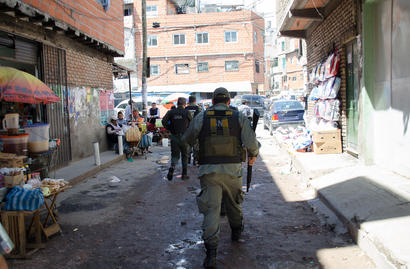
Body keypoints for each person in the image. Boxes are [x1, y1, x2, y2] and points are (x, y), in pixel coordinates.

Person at [182, 87, 259, 268]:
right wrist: (253, 154)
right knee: (234, 203)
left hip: (209, 171)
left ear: (213, 102)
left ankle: (211, 254)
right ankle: (236, 232)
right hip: (233, 170)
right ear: (229, 102)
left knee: (211, 209)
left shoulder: (202, 116)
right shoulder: (238, 116)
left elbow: (187, 139)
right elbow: (251, 143)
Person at [162, 97, 192, 181]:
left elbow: (163, 121)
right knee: (185, 155)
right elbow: (192, 122)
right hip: (184, 137)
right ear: (184, 104)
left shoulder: (171, 112)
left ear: (177, 103)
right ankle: (184, 174)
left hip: (174, 136)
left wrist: (169, 128)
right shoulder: (187, 112)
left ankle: (172, 167)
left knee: (175, 155)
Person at [185, 96, 201, 165]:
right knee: (196, 145)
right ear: (195, 101)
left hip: (187, 129)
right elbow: (201, 119)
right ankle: (195, 159)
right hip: (196, 129)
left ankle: (187, 159)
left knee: (187, 145)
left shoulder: (185, 109)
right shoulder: (198, 108)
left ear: (189, 101)